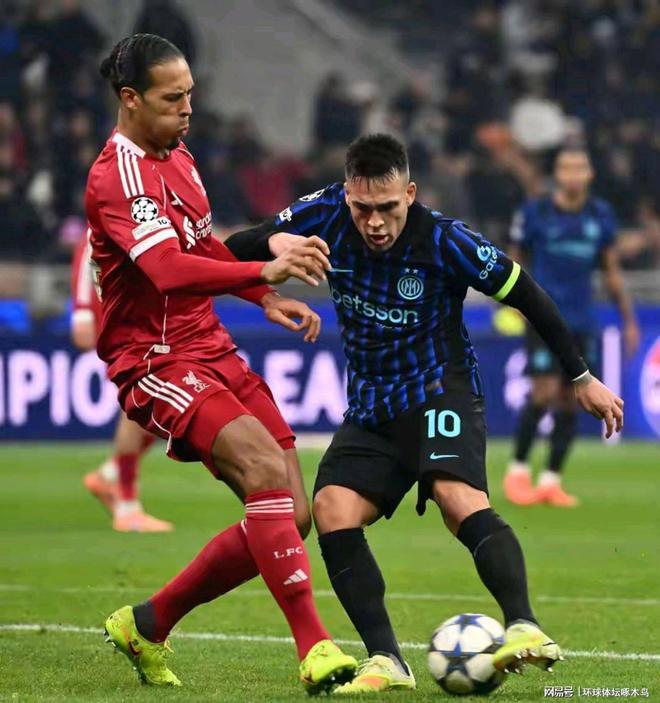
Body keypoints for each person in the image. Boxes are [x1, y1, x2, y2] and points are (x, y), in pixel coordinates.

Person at [224, 134, 624, 693]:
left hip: (441, 391)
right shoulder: (324, 216)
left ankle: (525, 627)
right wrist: (274, 241)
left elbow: (526, 294)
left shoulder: (444, 239)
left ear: (409, 194)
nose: (375, 223)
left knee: (455, 497)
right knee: (332, 509)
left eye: (388, 208)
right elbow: (234, 247)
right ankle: (387, 659)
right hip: (373, 404)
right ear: (347, 196)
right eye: (363, 209)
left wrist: (581, 376)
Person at [88, 34, 357, 693]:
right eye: (171, 99)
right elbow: (165, 268)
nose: (187, 109)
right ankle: (315, 646)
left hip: (208, 343)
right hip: (153, 357)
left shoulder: (178, 156)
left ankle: (148, 622)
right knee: (264, 469)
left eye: (190, 95)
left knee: (292, 511)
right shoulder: (117, 177)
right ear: (130, 99)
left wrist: (263, 297)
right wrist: (262, 267)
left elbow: (200, 242)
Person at [503, 147, 639, 507]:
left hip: (582, 320)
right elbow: (515, 260)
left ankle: (550, 481)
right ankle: (517, 472)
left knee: (570, 398)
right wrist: (515, 303)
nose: (573, 174)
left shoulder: (600, 215)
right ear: (557, 175)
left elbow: (610, 271)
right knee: (543, 392)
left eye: (580, 167)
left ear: (590, 174)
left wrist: (628, 320)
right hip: (543, 318)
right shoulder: (536, 212)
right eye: (567, 167)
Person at [70, 229, 172, 532]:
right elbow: (88, 248)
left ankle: (111, 475)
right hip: (120, 319)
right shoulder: (112, 213)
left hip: (144, 317)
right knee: (140, 404)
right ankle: (127, 506)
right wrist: (82, 312)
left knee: (159, 407)